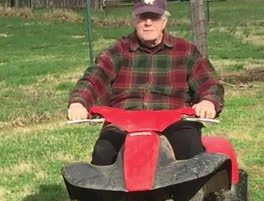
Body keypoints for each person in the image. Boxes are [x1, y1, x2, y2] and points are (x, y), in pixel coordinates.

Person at [67, 0, 224, 166]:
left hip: (174, 121)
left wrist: (208, 101)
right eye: (143, 17)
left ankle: (194, 192)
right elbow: (95, 78)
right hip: (124, 123)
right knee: (103, 154)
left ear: (164, 21)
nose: (148, 23)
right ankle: (104, 193)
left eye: (154, 17)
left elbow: (209, 83)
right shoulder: (118, 51)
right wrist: (79, 102)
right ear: (135, 20)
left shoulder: (186, 51)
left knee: (192, 154)